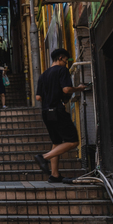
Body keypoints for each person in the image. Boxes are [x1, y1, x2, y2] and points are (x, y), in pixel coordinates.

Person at [34, 48, 86, 184]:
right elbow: (66, 89)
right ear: (61, 58)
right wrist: (79, 88)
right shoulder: (62, 71)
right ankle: (44, 157)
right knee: (73, 141)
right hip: (57, 110)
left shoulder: (43, 75)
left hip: (46, 112)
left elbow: (38, 97)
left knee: (56, 142)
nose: (67, 64)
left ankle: (55, 175)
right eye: (66, 60)